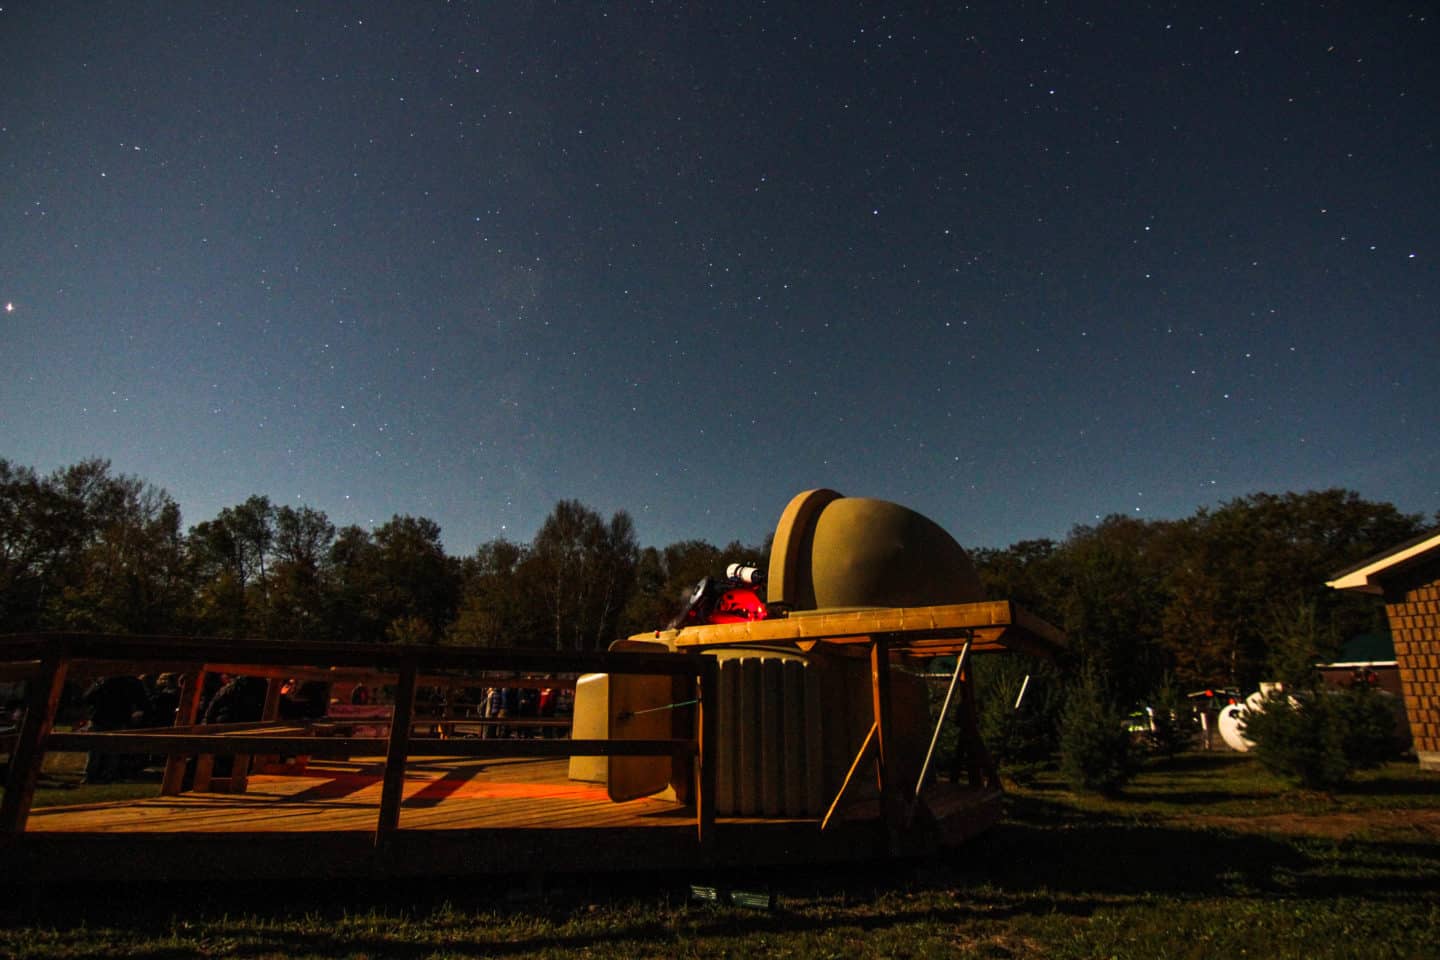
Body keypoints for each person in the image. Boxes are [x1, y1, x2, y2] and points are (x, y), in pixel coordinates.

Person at [81, 674, 149, 783]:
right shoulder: (131, 682)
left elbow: (88, 698)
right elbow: (142, 700)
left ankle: (92, 774)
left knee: (96, 748)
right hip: (118, 717)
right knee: (112, 749)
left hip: (101, 716)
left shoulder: (105, 680)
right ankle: (107, 774)